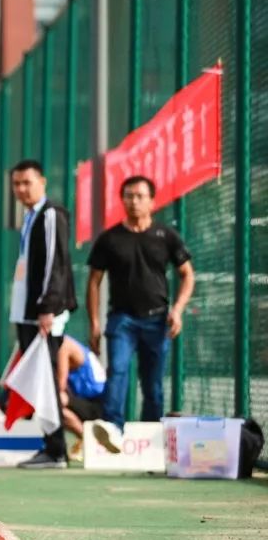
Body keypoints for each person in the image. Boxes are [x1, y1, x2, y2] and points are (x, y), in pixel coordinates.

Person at [86, 175, 195, 453]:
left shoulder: (166, 236)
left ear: (152, 201)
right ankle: (112, 431)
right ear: (122, 200)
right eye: (128, 196)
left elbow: (187, 275)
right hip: (121, 319)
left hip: (158, 321)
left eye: (140, 196)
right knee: (118, 372)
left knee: (153, 386)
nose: (134, 201)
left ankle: (151, 445)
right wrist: (95, 324)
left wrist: (178, 310)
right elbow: (93, 282)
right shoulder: (110, 239)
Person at [7, 160, 77, 469]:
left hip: (43, 315)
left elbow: (56, 264)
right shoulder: (29, 217)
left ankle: (56, 449)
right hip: (27, 313)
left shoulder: (51, 215)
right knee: (37, 381)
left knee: (45, 381)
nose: (21, 189)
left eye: (27, 182)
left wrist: (48, 307)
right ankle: (51, 444)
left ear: (43, 182)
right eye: (16, 184)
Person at [55, 336, 107, 461]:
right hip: (86, 401)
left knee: (57, 403)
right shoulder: (66, 344)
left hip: (98, 403)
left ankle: (91, 443)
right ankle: (89, 441)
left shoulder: (64, 347)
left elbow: (60, 387)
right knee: (56, 402)